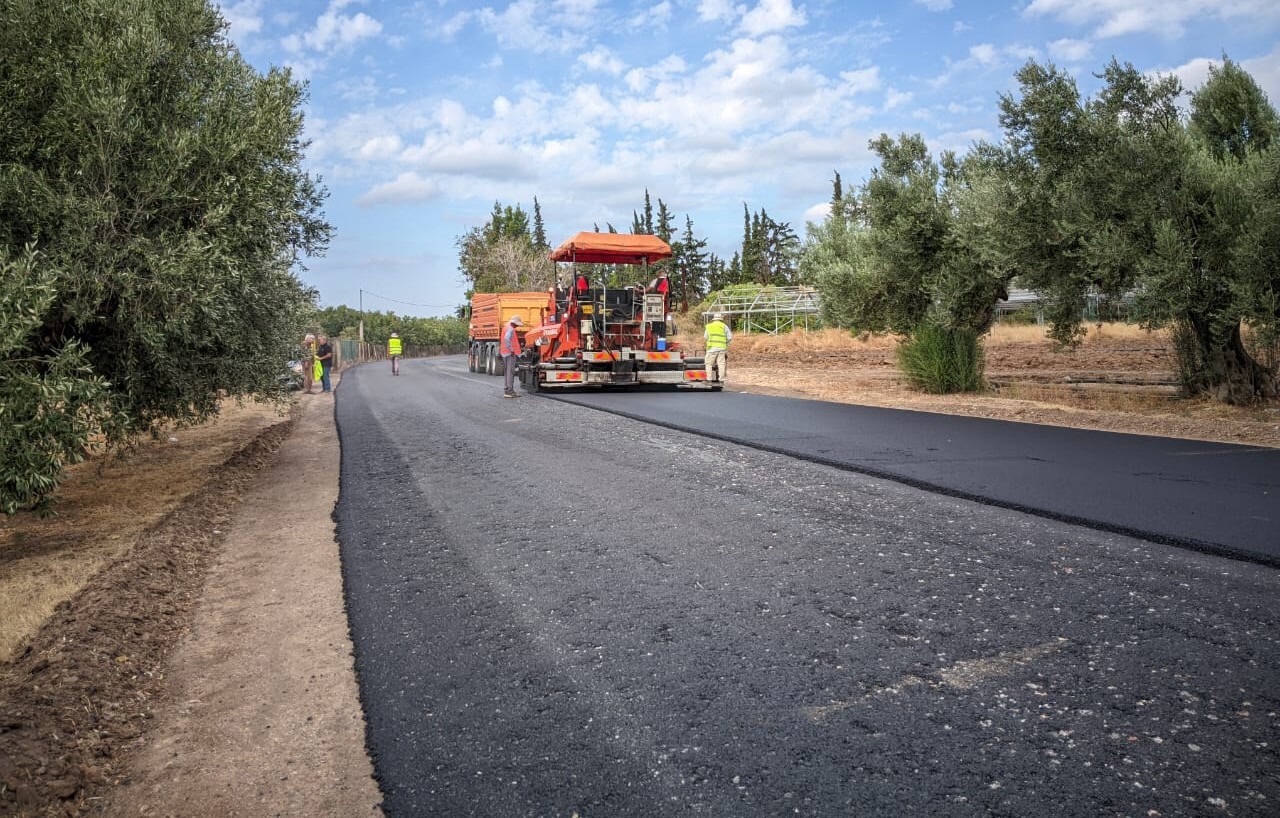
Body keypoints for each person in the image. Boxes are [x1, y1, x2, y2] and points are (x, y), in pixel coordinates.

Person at [704, 312, 732, 383]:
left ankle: (709, 380)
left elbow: (705, 337)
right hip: (722, 348)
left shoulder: (709, 326)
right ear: (720, 319)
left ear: (714, 319)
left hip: (712, 349)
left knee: (709, 364)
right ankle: (721, 380)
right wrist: (725, 343)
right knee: (721, 364)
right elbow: (729, 337)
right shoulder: (724, 326)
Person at [500, 315, 523, 398]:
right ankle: (510, 391)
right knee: (510, 372)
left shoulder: (506, 327)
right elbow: (507, 339)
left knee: (507, 372)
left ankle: (507, 389)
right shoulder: (510, 329)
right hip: (510, 353)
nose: (517, 326)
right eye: (517, 324)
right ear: (514, 323)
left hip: (504, 352)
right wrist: (511, 349)